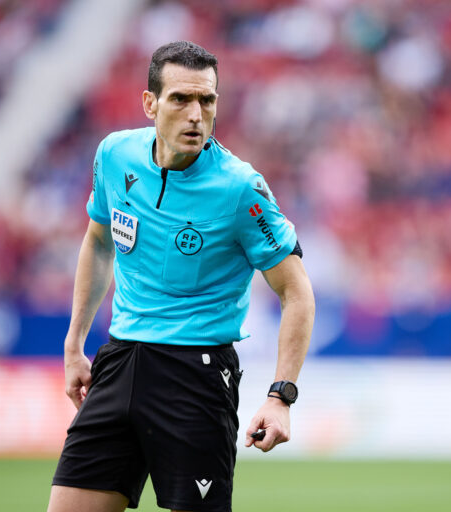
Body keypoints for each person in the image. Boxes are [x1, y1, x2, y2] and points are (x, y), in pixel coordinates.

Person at [47, 41, 314, 512]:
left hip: (197, 377)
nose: (196, 114)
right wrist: (74, 345)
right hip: (120, 360)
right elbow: (99, 241)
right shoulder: (114, 155)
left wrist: (281, 397)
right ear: (150, 103)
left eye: (206, 101)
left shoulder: (240, 188)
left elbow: (297, 292)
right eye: (180, 99)